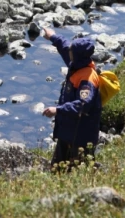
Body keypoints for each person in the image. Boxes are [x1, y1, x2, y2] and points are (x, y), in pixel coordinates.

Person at [40, 26, 101, 170]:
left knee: (77, 171)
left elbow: (83, 105)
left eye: (72, 51)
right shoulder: (77, 64)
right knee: (56, 169)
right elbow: (64, 46)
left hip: (81, 135)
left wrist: (58, 110)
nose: (69, 52)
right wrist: (52, 36)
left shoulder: (87, 79)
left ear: (78, 55)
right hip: (67, 132)